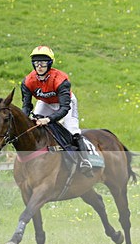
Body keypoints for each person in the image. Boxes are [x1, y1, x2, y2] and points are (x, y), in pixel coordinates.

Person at [21, 45, 92, 175]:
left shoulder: (61, 79)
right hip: (45, 103)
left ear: (49, 64)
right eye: (36, 63)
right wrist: (24, 120)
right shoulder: (27, 81)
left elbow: (64, 108)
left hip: (65, 103)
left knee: (72, 130)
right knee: (35, 125)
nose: (39, 66)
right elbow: (26, 106)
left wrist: (48, 119)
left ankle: (85, 160)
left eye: (42, 63)